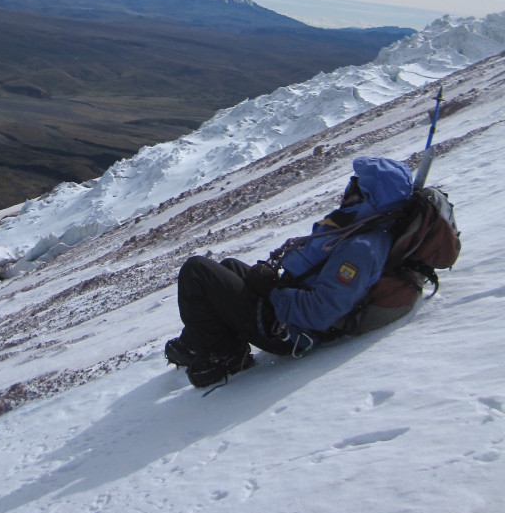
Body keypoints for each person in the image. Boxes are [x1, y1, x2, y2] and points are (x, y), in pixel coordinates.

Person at [165, 156, 415, 389]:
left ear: (368, 196)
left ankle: (226, 357)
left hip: (289, 331)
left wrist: (272, 290)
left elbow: (321, 312)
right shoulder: (362, 230)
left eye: (355, 185)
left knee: (196, 272)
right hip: (288, 307)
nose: (348, 189)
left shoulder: (360, 249)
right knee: (229, 266)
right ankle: (198, 343)